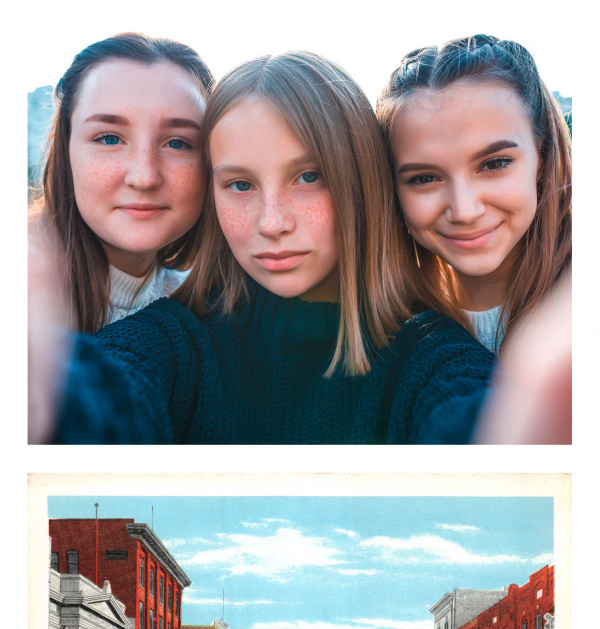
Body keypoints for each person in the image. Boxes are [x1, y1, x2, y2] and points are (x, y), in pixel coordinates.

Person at [30, 51, 496, 445]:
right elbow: (110, 392)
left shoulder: (434, 357)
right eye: (240, 184)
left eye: (308, 176)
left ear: (361, 181)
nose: (272, 223)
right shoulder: (177, 340)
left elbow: (479, 420)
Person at [376, 34, 571, 354]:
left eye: (494, 164)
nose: (464, 210)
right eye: (424, 178)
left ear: (543, 157)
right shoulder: (388, 333)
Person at [29, 32, 214, 332]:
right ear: (67, 149)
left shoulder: (213, 312)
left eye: (177, 143)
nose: (144, 177)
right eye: (110, 139)